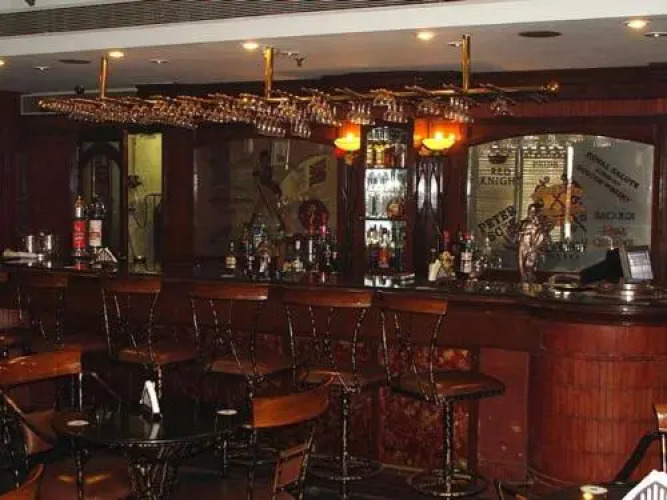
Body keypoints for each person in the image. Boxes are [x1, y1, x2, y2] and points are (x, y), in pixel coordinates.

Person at [517, 203, 550, 282]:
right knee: (522, 268)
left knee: (529, 268)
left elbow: (544, 241)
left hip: (532, 250)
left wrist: (535, 248)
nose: (530, 214)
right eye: (529, 211)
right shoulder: (523, 224)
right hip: (523, 248)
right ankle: (524, 279)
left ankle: (530, 280)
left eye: (533, 212)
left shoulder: (540, 227)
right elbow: (518, 237)